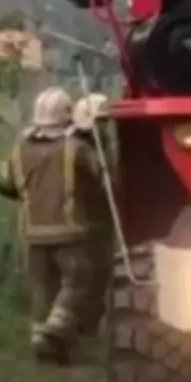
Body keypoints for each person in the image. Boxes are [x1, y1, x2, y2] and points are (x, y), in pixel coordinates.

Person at [0, 86, 108, 365]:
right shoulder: (77, 149)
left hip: (33, 233)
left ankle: (40, 340)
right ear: (66, 116)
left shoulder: (19, 148)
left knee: (43, 290)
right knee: (79, 280)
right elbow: (102, 183)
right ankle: (56, 329)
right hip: (71, 231)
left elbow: (6, 185)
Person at [70, 93, 116, 340]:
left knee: (99, 273)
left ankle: (88, 325)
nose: (105, 127)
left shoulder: (100, 144)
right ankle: (79, 326)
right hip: (83, 220)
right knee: (85, 275)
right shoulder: (77, 148)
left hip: (100, 219)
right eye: (100, 122)